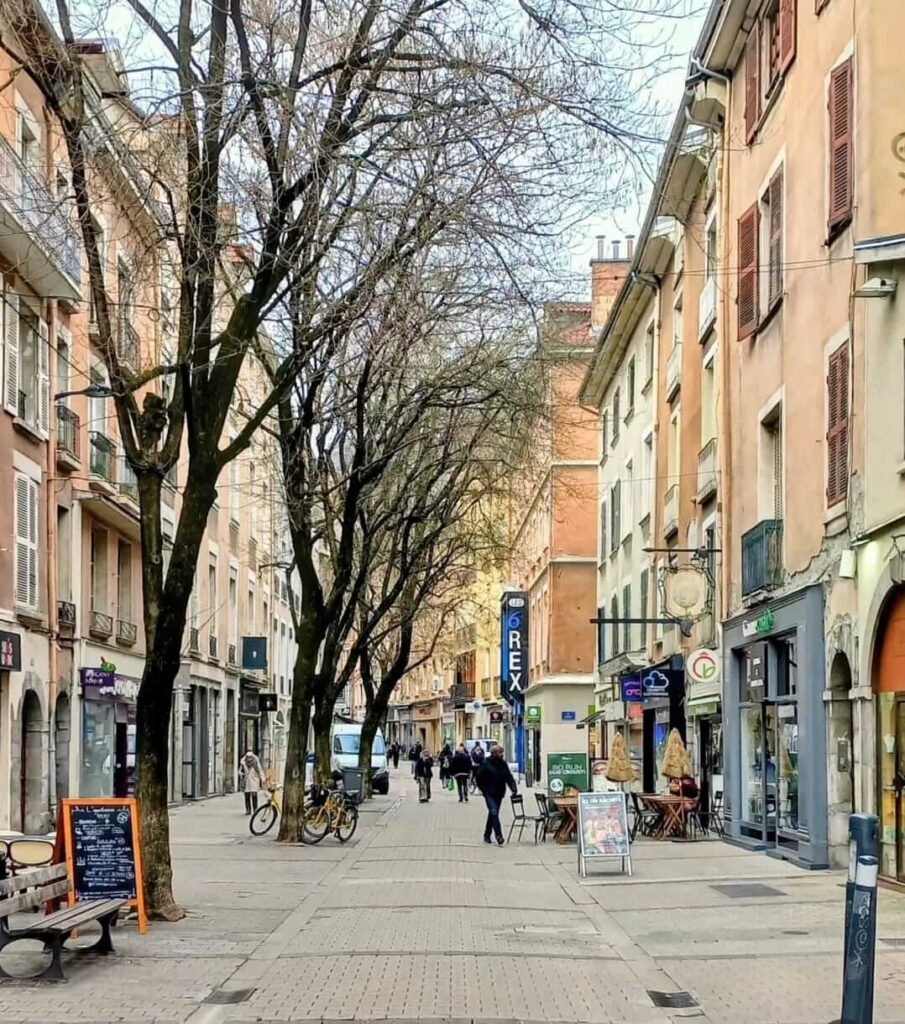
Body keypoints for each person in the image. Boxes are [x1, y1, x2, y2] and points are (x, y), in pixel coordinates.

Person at [476, 744, 517, 845]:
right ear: (494, 753)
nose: (502, 754)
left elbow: (508, 777)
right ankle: (499, 836)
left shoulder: (503, 764)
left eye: (502, 752)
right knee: (494, 812)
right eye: (500, 752)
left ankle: (487, 834)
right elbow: (478, 777)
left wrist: (513, 789)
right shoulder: (486, 763)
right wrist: (483, 790)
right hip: (489, 792)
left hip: (499, 793)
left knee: (493, 814)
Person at [239, 750, 265, 815]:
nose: (249, 759)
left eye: (250, 757)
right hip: (246, 781)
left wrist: (263, 779)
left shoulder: (256, 763)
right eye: (248, 757)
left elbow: (260, 770)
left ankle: (255, 809)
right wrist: (241, 774)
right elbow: (239, 771)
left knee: (254, 795)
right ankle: (248, 810)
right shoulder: (243, 763)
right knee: (247, 796)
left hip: (254, 780)